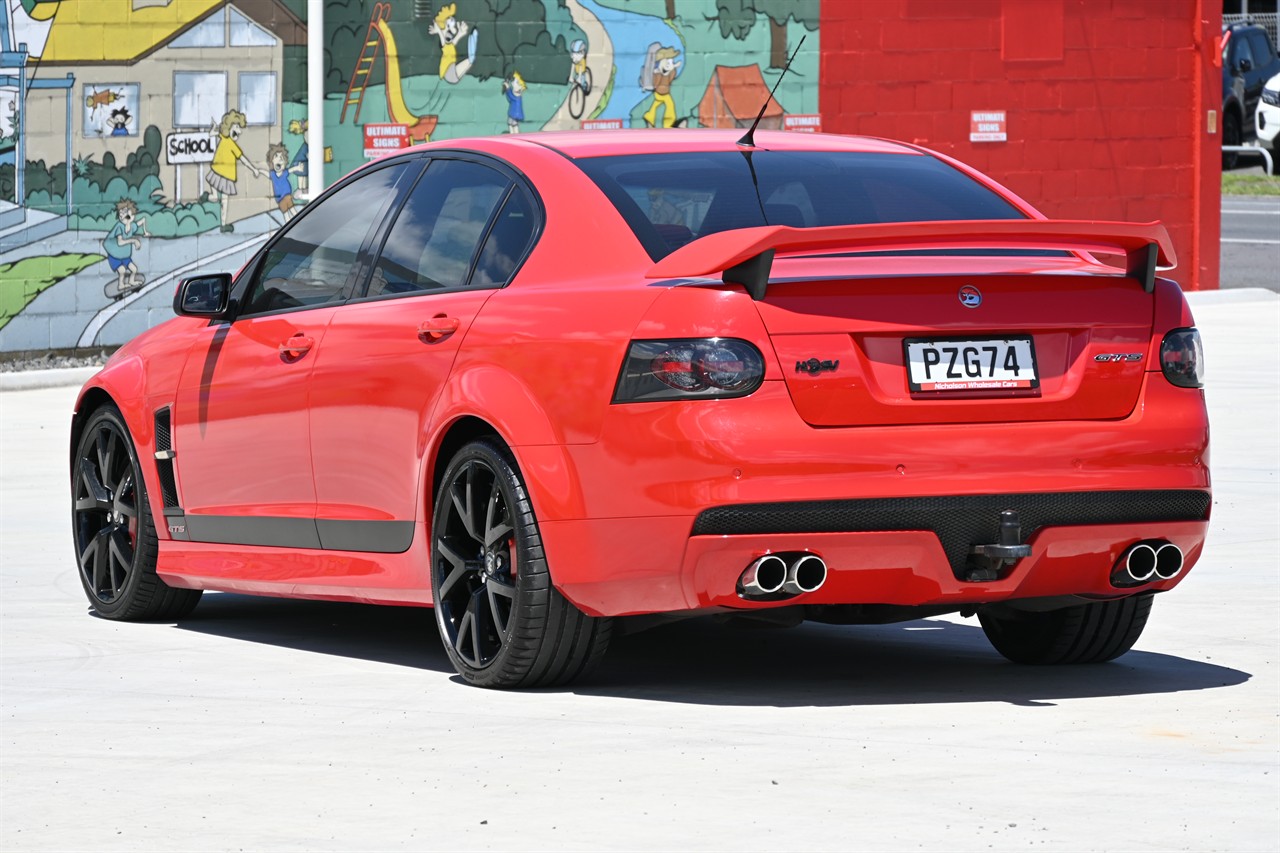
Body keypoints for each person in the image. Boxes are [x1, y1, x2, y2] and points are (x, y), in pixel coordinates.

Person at [206, 109, 261, 233]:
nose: (239, 131)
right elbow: (243, 159)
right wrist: (253, 169)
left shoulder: (228, 141)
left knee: (220, 196)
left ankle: (222, 219)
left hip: (222, 173)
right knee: (221, 199)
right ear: (229, 126)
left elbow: (243, 159)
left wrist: (253, 169)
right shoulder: (227, 141)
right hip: (222, 173)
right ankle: (222, 221)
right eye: (236, 127)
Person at [103, 199, 147, 295]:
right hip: (114, 255)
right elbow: (120, 242)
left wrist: (145, 230)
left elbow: (141, 221)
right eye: (121, 215)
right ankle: (121, 285)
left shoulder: (131, 226)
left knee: (134, 269)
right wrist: (134, 240)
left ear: (132, 217)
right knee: (122, 271)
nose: (122, 216)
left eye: (126, 215)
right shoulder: (119, 226)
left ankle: (131, 281)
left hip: (125, 256)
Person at [429, 3, 479, 84]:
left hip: (451, 72)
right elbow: (442, 36)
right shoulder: (444, 45)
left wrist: (460, 33)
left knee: (470, 61)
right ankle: (474, 35)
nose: (452, 29)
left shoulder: (450, 45)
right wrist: (438, 30)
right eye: (449, 25)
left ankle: (473, 36)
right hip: (449, 73)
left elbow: (455, 39)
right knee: (471, 60)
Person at [643, 46, 682, 128]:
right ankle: (668, 124)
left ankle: (649, 117)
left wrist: (674, 68)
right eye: (667, 63)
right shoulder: (658, 74)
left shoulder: (668, 73)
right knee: (669, 104)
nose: (669, 65)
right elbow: (656, 83)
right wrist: (657, 74)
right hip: (660, 93)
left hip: (665, 93)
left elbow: (671, 78)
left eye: (671, 62)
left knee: (657, 104)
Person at [265, 143, 296, 223]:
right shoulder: (272, 174)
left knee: (293, 210)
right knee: (286, 215)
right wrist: (258, 170)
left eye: (281, 158)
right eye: (276, 157)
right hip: (280, 199)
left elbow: (291, 170)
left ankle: (298, 222)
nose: (279, 159)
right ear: (271, 161)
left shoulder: (284, 172)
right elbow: (265, 173)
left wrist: (297, 168)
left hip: (287, 196)